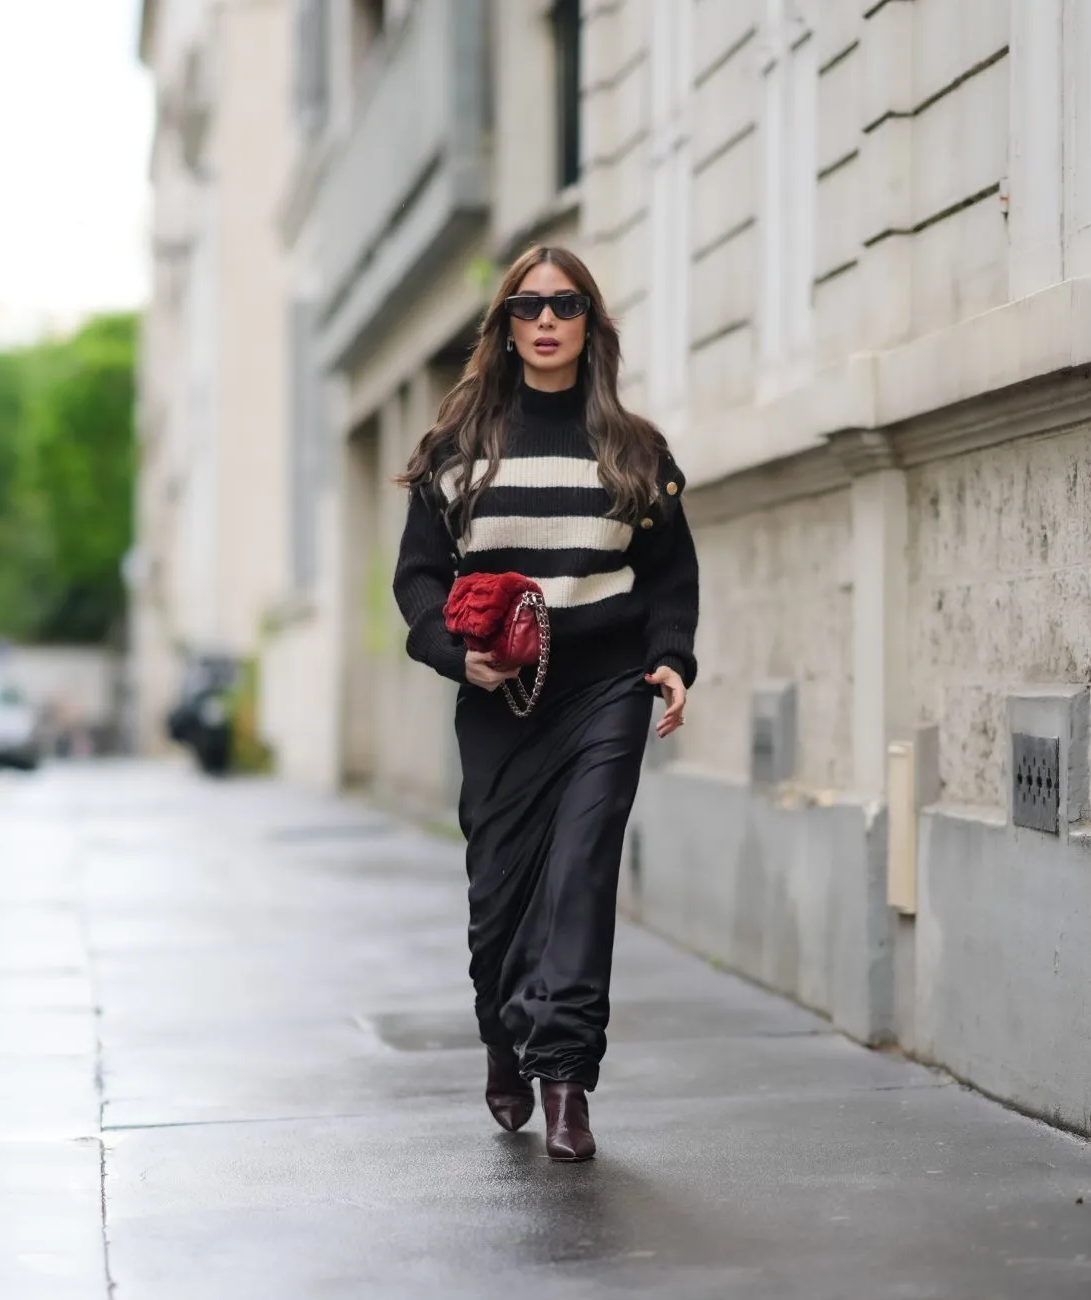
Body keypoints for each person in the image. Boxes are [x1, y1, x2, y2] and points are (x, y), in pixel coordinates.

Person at [393, 245, 699, 1162]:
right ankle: (504, 1033)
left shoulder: (636, 452)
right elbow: (417, 577)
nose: (547, 321)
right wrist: (457, 655)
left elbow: (670, 572)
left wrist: (670, 658)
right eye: (528, 307)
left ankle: (565, 1077)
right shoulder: (458, 451)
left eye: (566, 305)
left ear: (590, 325)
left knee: (581, 874)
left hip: (606, 690)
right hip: (500, 704)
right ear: (506, 328)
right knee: (498, 902)